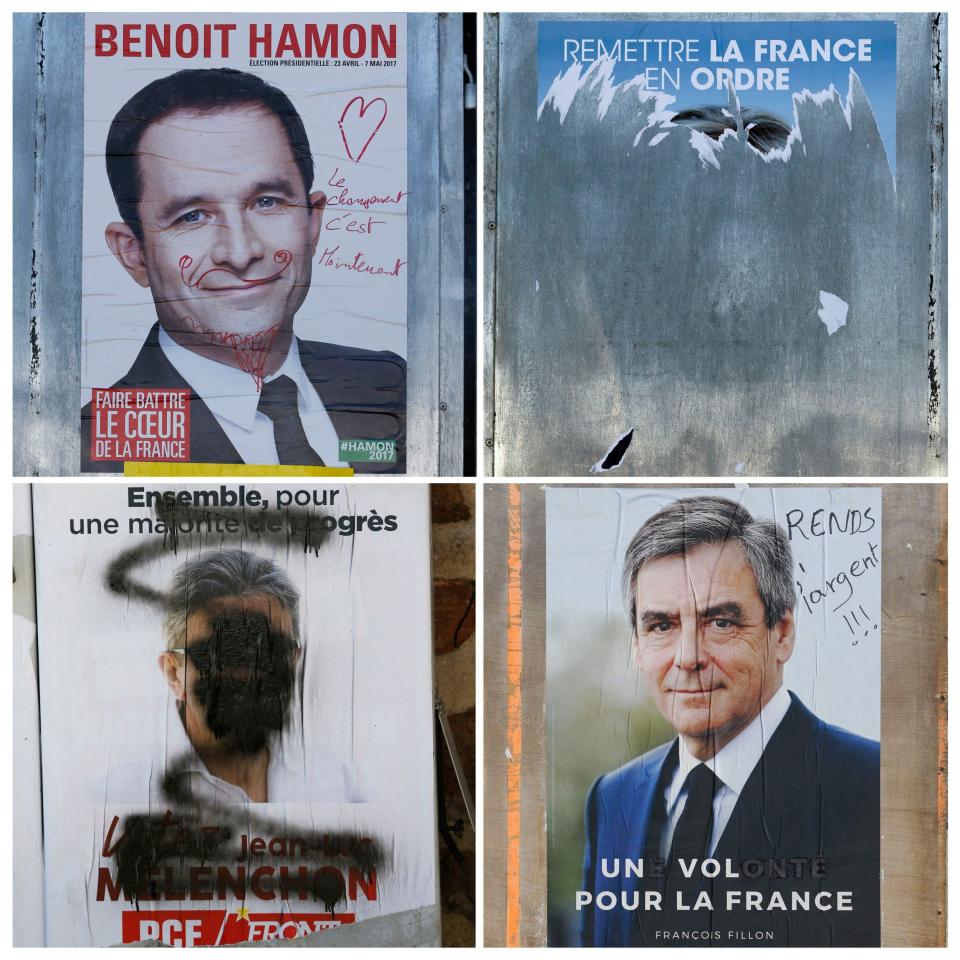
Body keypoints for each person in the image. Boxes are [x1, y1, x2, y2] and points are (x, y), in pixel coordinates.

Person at [580, 496, 879, 947]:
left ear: (782, 633)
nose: (688, 658)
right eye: (661, 626)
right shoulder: (611, 798)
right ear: (638, 647)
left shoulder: (876, 787)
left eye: (720, 622)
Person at [81, 68, 405, 473]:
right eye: (192, 216)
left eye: (266, 202)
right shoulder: (88, 451)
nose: (241, 252)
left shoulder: (391, 385)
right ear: (134, 254)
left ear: (312, 221)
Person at [155, 549, 344, 804]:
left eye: (271, 649)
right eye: (221, 652)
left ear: (293, 661)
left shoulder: (334, 782)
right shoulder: (124, 790)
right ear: (172, 673)